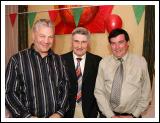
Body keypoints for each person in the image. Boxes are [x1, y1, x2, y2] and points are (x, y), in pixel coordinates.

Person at [5, 19, 69, 118]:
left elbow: (65, 88)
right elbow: (9, 93)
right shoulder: (17, 60)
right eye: (42, 36)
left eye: (50, 37)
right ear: (33, 36)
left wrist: (59, 113)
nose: (46, 41)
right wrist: (27, 117)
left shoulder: (60, 60)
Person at [94, 28, 151, 118]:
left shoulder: (141, 62)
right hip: (107, 115)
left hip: (132, 116)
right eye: (113, 43)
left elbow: (146, 93)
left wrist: (134, 115)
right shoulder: (103, 63)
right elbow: (99, 91)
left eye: (120, 42)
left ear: (127, 43)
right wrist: (111, 115)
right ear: (110, 45)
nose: (117, 47)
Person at [61, 27, 102, 118]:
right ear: (72, 42)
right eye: (76, 41)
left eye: (83, 42)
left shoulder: (97, 61)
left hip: (90, 112)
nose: (80, 46)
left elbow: (101, 89)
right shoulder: (61, 60)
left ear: (88, 43)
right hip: (66, 112)